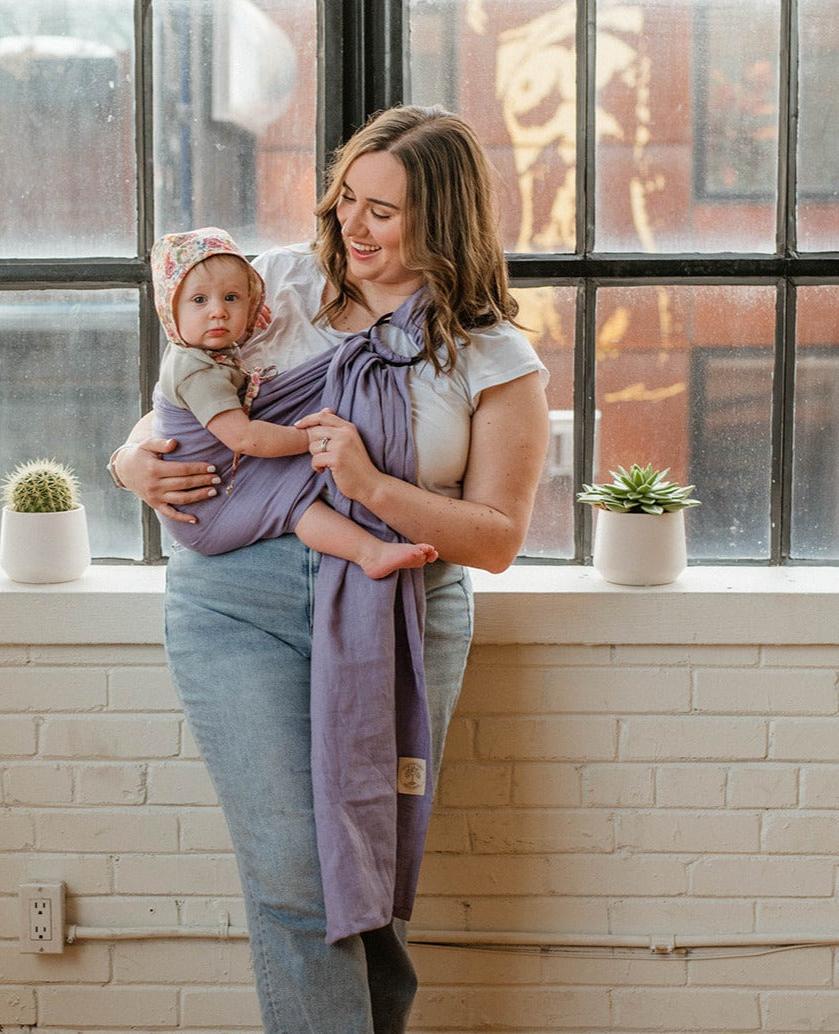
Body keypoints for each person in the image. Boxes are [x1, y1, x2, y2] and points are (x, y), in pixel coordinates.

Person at [109, 105, 550, 1034]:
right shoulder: (275, 287)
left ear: (443, 221)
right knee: (297, 881)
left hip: (398, 610)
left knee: (371, 875)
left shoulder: (495, 359)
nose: (352, 224)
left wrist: (370, 485)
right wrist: (128, 458)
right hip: (239, 603)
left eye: (382, 211)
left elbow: (498, 539)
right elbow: (183, 396)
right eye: (348, 197)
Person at [146, 224, 439, 579]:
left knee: (295, 502)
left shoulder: (208, 349)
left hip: (209, 494)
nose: (218, 312)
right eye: (199, 300)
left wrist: (249, 322)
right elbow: (245, 438)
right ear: (169, 311)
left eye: (232, 298)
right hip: (205, 509)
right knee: (293, 505)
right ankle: (369, 552)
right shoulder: (196, 370)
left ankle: (371, 551)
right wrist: (309, 439)